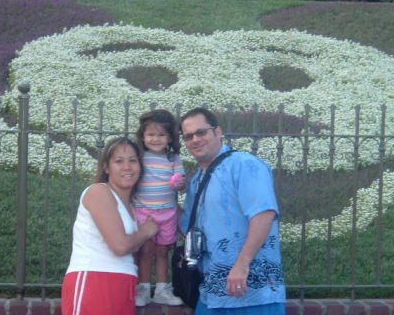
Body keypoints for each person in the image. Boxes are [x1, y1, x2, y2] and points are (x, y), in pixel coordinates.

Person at [179, 107, 286, 315]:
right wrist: (155, 198)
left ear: (218, 132)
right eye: (188, 136)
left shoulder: (245, 165)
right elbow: (187, 228)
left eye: (201, 132)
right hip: (212, 294)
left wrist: (242, 265)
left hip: (254, 294)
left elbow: (264, 214)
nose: (195, 140)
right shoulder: (197, 181)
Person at [61, 137, 159, 315]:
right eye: (119, 161)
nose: (127, 167)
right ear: (106, 167)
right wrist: (145, 231)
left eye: (133, 161)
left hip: (124, 284)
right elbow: (121, 246)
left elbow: (131, 246)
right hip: (94, 280)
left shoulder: (129, 207)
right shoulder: (99, 191)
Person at [133, 109, 187, 307]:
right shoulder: (139, 157)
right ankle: (144, 289)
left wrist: (180, 184)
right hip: (143, 212)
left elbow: (180, 180)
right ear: (143, 136)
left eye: (161, 135)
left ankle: (162, 289)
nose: (156, 139)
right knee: (145, 252)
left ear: (170, 138)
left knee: (163, 251)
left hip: (168, 213)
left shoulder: (173, 159)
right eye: (151, 134)